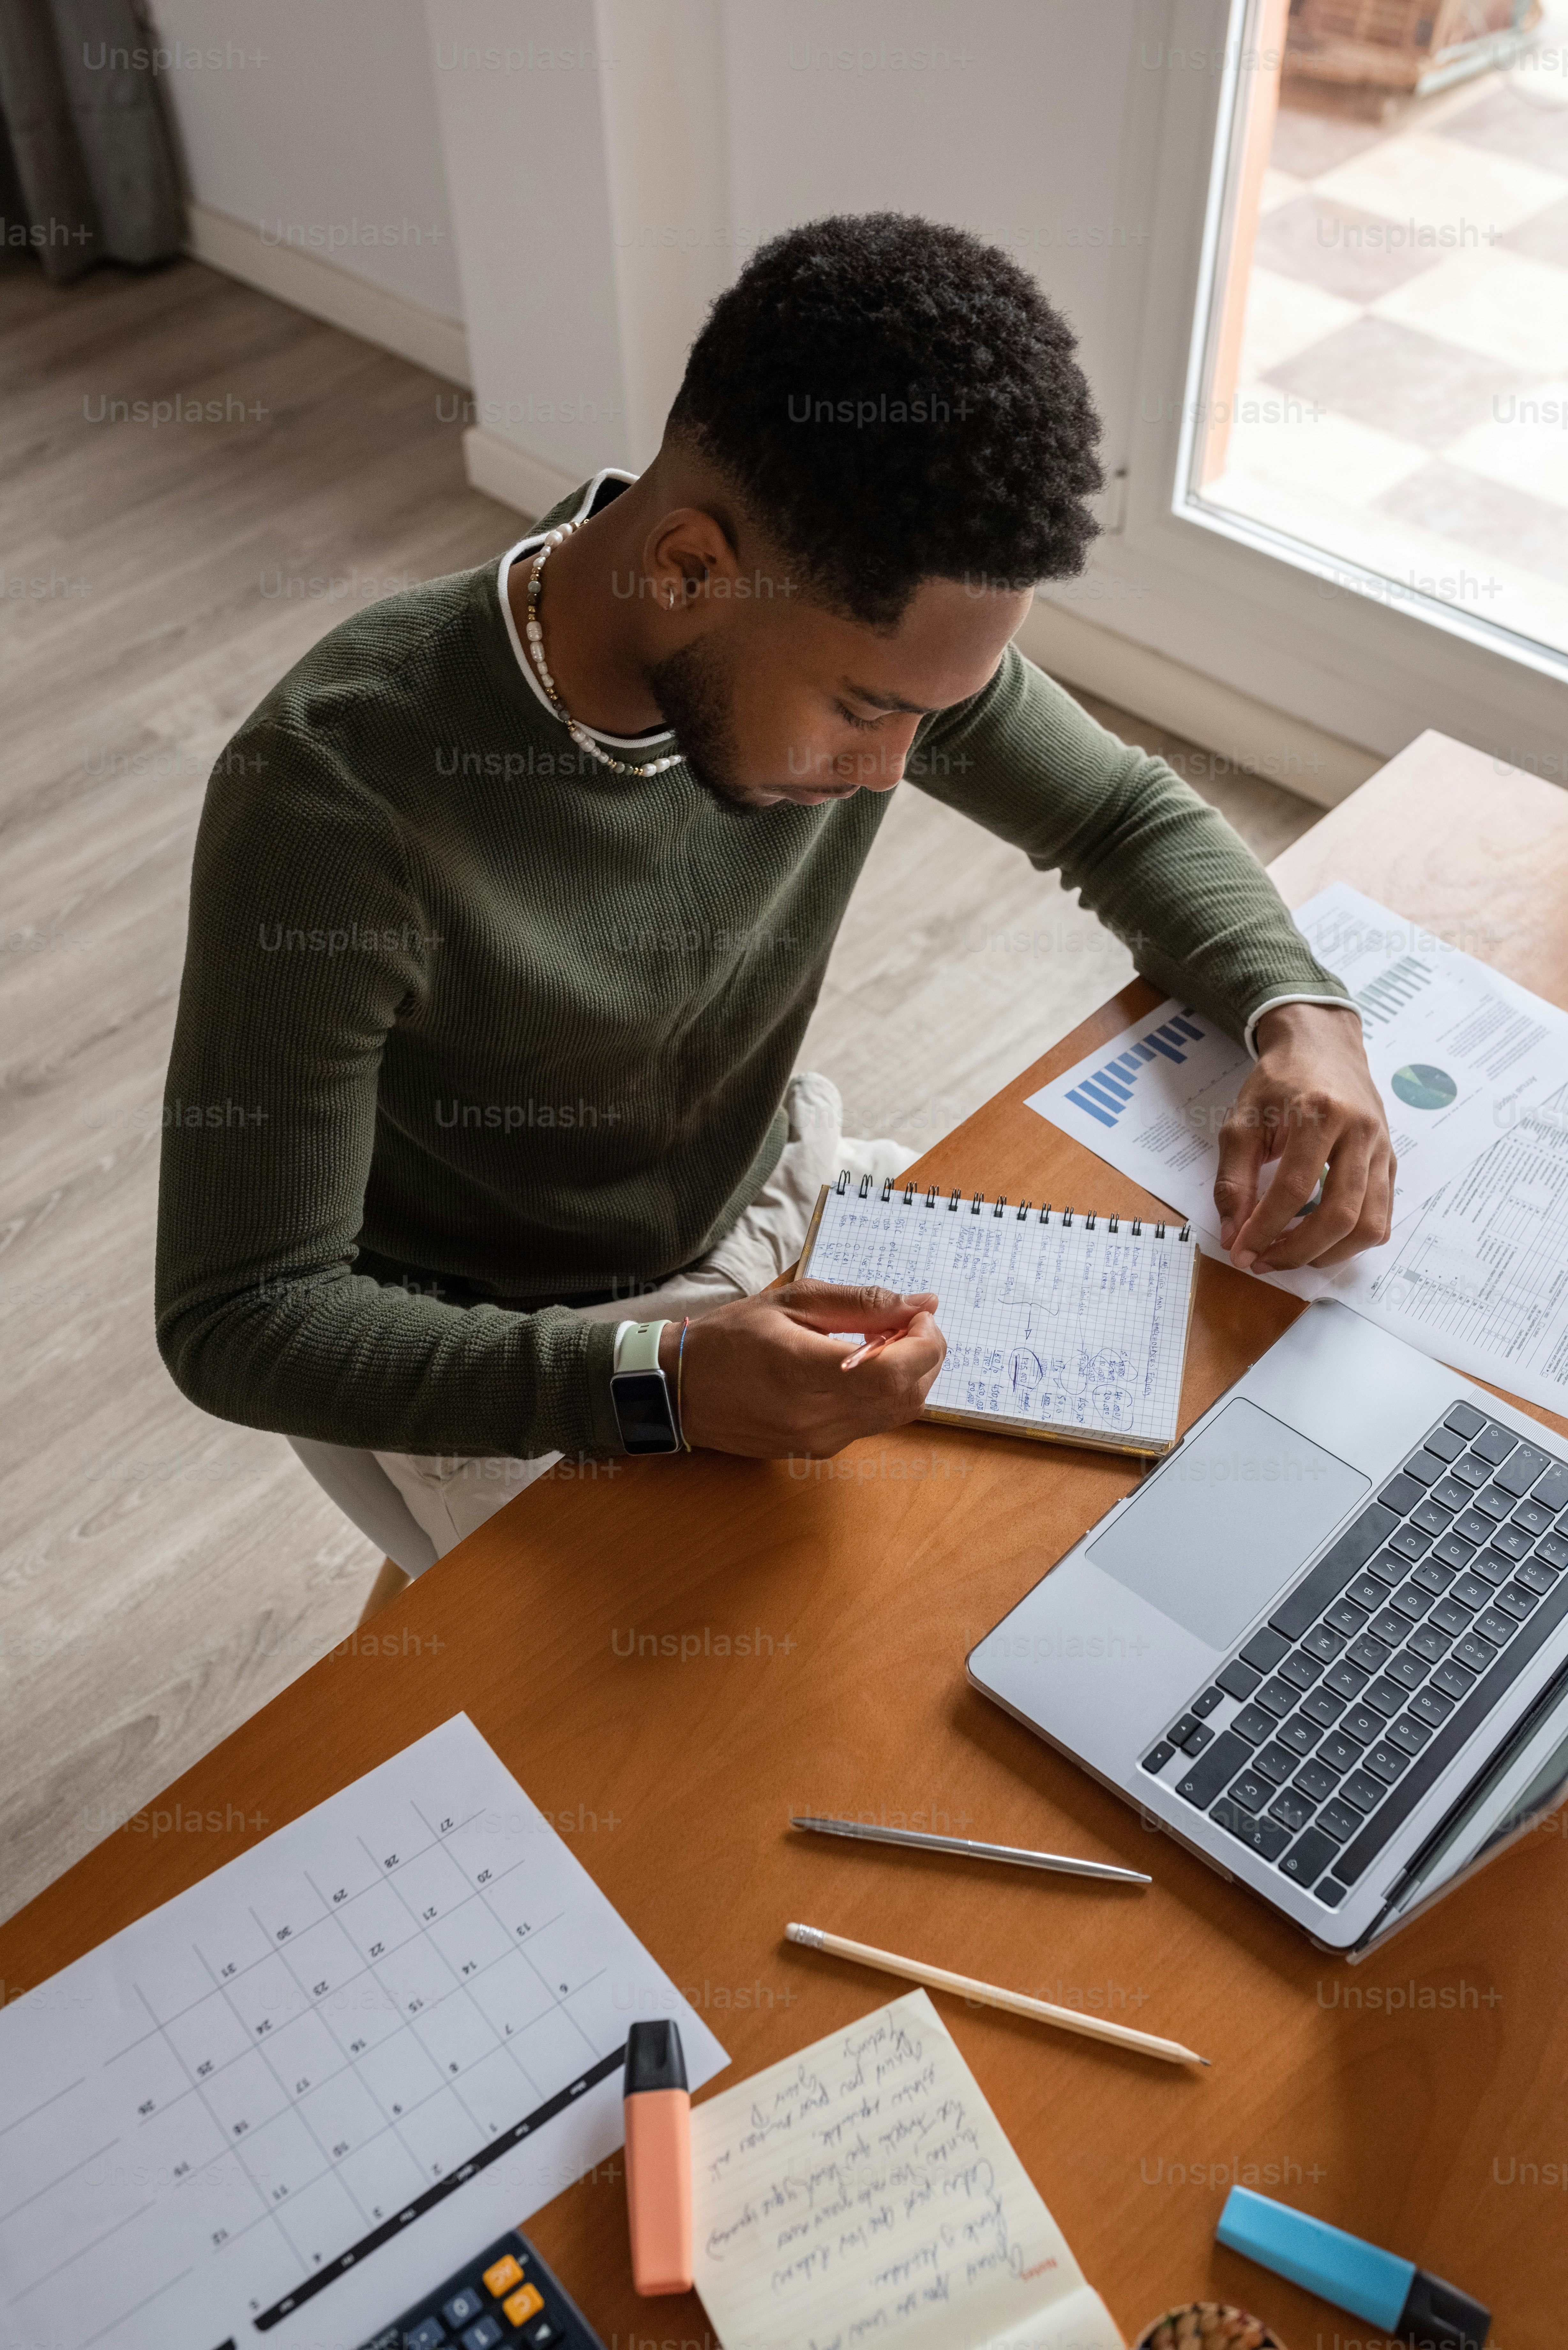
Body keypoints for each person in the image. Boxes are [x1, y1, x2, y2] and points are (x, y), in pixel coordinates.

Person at [156, 211, 1392, 1581]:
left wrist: (1303, 1012)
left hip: (777, 1208)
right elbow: (246, 1313)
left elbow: (1116, 810)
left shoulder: (863, 641)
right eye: (865, 712)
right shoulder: (333, 797)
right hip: (500, 1348)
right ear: (686, 569)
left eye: (939, 714)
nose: (891, 772)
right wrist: (656, 1377)